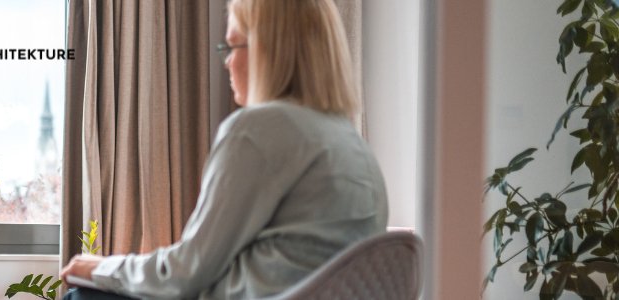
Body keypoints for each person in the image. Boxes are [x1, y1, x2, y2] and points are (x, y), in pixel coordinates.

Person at [58, 0, 388, 299]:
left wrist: (101, 268)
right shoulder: (354, 147)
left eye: (233, 45)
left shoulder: (257, 131)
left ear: (268, 51)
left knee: (84, 297)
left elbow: (187, 272)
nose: (226, 62)